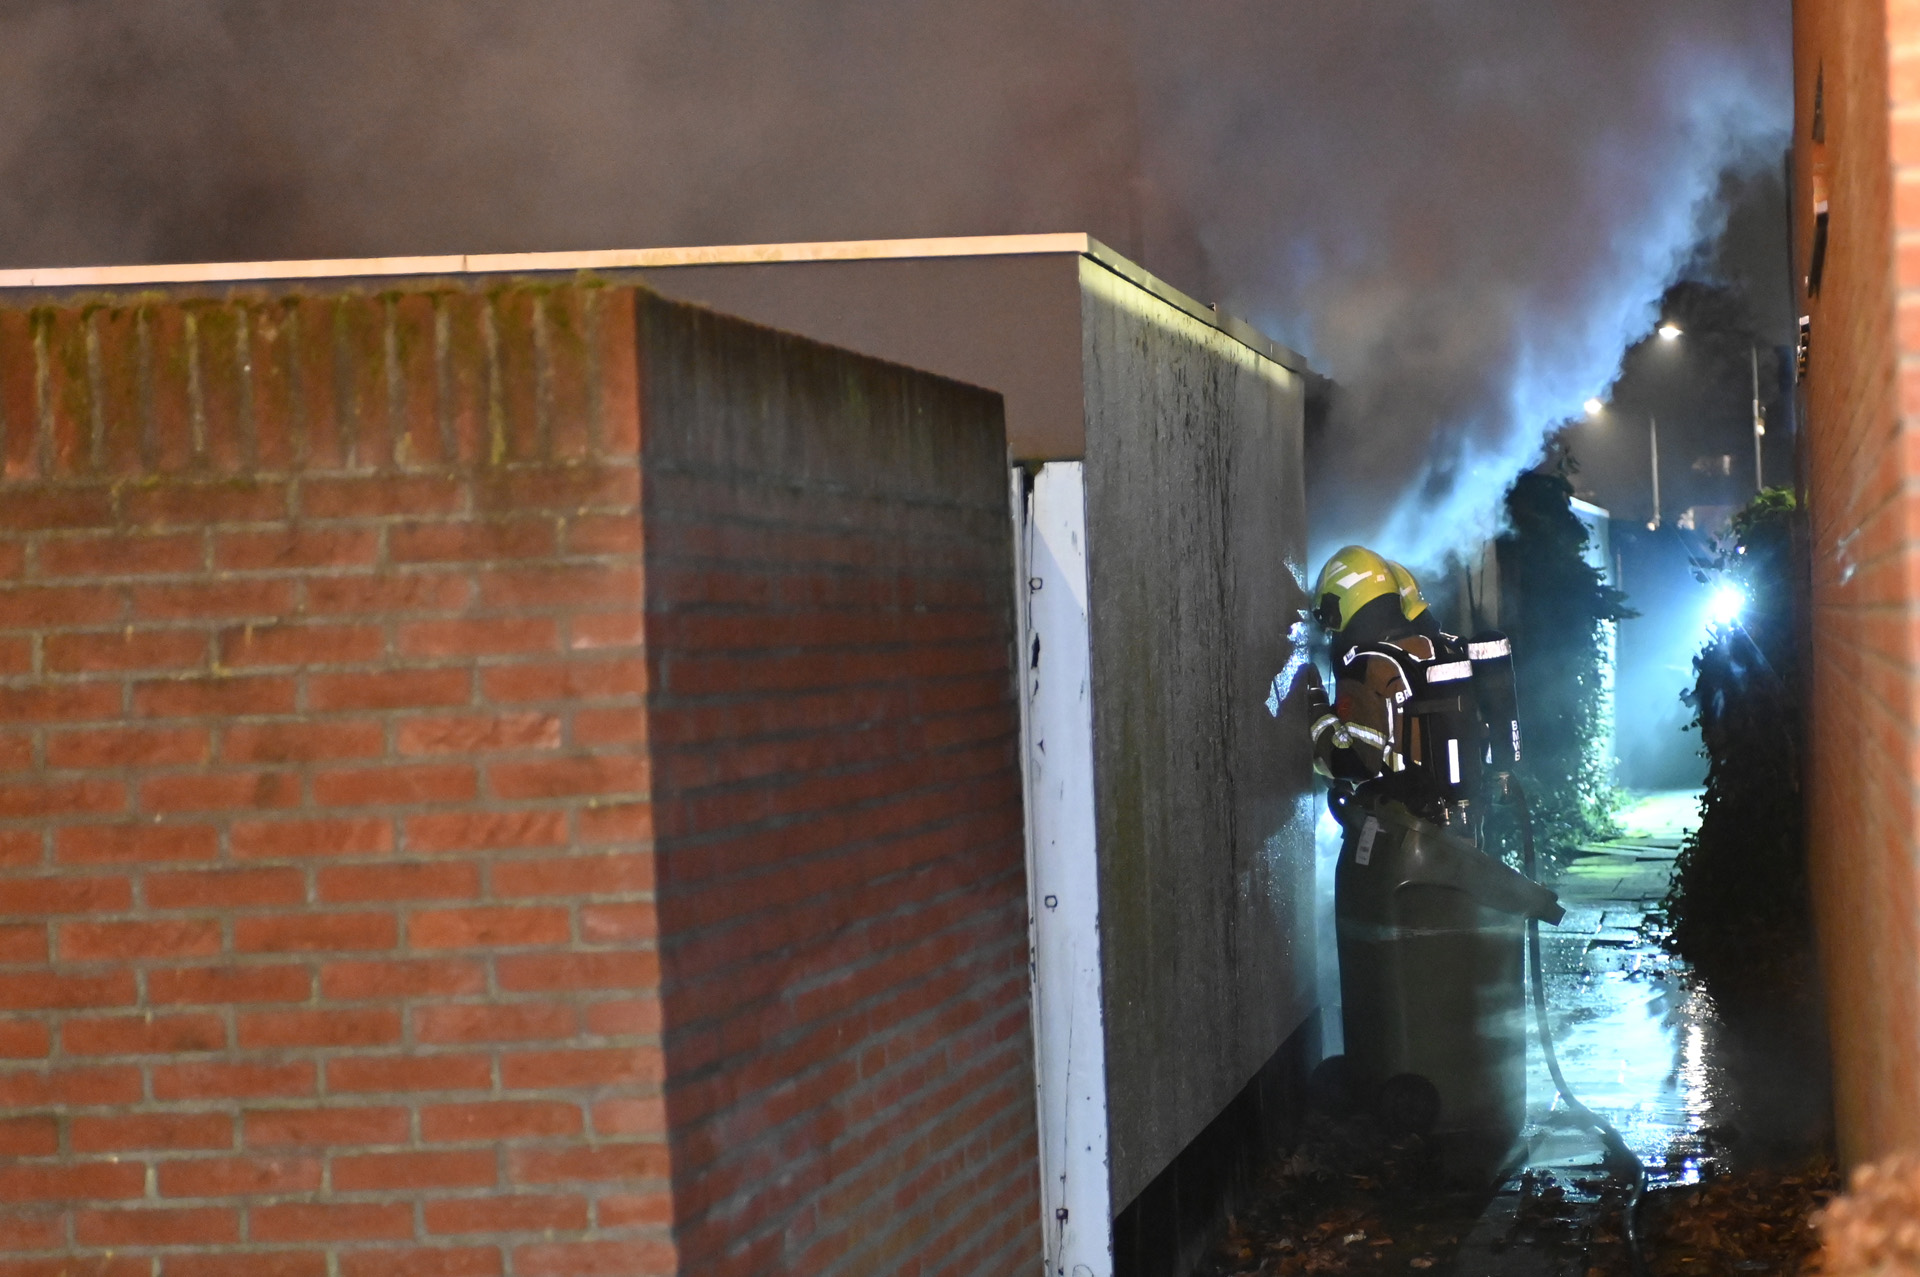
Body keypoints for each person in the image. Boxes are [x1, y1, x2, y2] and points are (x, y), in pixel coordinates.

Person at [1305, 545, 1498, 831]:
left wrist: (1314, 705)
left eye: (1329, 615)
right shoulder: (1444, 650)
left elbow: (1354, 761)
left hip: (1402, 831)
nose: (1331, 630)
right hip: (1463, 828)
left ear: (1346, 600)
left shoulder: (1370, 665)